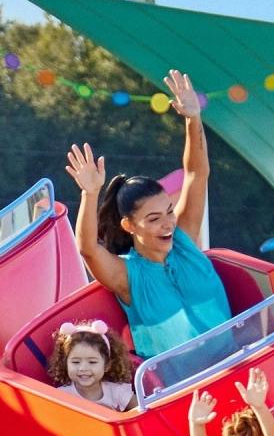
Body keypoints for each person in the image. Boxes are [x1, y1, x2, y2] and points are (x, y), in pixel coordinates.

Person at [66, 70, 231, 358]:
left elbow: (196, 173)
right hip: (183, 384)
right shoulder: (127, 276)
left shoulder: (184, 240)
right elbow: (88, 248)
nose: (168, 224)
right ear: (129, 225)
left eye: (169, 212)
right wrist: (90, 194)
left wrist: (193, 119)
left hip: (236, 365)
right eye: (154, 219)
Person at [47, 319, 136, 411]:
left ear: (107, 365)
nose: (83, 368)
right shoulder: (62, 397)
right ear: (66, 363)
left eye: (92, 362)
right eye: (76, 362)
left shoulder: (117, 392)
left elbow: (141, 411)